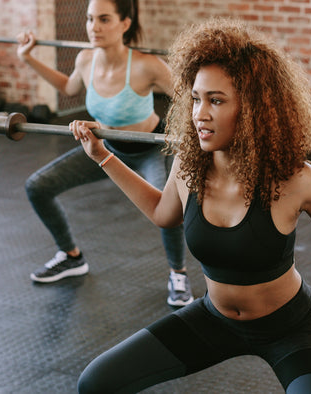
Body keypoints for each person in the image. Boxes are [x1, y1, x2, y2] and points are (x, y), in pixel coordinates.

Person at [71, 18, 311, 393]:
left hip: (294, 328)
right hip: (215, 319)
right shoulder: (189, 167)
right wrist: (103, 156)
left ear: (253, 109)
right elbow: (163, 214)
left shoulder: (294, 179)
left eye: (216, 101)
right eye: (195, 99)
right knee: (96, 383)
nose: (199, 114)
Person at [15, 0, 194, 307]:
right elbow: (69, 88)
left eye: (103, 19)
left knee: (168, 213)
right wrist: (27, 57)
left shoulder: (146, 64)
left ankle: (178, 273)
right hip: (103, 147)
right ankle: (71, 257)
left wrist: (189, 135)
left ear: (125, 23)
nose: (93, 27)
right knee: (38, 186)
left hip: (149, 148)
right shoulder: (86, 60)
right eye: (89, 19)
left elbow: (191, 95)